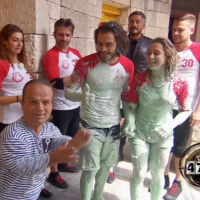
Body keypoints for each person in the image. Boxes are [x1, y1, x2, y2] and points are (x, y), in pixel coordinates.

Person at [65, 21, 134, 200]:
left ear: (119, 43)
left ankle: (98, 196)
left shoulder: (127, 66)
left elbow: (126, 97)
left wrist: (129, 120)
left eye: (108, 44)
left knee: (105, 167)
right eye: (99, 43)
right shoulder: (85, 63)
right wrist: (82, 97)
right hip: (90, 125)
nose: (102, 48)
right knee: (90, 170)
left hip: (113, 125)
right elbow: (69, 91)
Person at [122, 37, 190, 200]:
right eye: (148, 53)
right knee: (138, 172)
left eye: (156, 53)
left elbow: (186, 110)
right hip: (140, 131)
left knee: (158, 175)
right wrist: (130, 120)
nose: (150, 57)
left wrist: (171, 125)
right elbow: (130, 104)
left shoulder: (179, 82)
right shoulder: (139, 79)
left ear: (167, 56)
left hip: (163, 134)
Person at [0, 79, 90, 200]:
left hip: (33, 192)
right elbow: (22, 167)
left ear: (52, 106)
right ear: (22, 104)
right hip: (10, 196)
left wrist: (72, 143)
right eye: (33, 102)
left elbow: (58, 140)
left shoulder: (49, 128)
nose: (40, 108)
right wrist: (53, 158)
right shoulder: (13, 134)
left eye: (46, 102)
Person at [106, 11, 153, 185]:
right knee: (115, 127)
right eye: (131, 21)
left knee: (139, 129)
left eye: (138, 22)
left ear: (143, 24)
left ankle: (141, 167)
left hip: (141, 94)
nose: (134, 24)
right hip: (118, 91)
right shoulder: (120, 42)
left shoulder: (149, 44)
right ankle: (112, 161)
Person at [163, 14, 200, 200]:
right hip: (165, 106)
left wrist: (198, 111)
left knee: (179, 148)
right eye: (174, 29)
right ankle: (164, 175)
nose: (175, 33)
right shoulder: (169, 51)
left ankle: (177, 182)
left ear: (191, 30)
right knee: (164, 143)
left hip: (186, 109)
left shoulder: (198, 51)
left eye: (180, 30)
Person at [43, 18, 82, 189]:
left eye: (67, 35)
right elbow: (57, 83)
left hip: (75, 105)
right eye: (61, 34)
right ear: (54, 34)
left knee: (69, 139)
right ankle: (53, 173)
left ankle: (64, 164)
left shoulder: (75, 53)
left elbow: (83, 72)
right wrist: (79, 76)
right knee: (57, 142)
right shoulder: (51, 55)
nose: (64, 38)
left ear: (71, 36)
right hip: (60, 107)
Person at [0, 24, 32, 132]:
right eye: (15, 40)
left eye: (22, 40)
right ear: (4, 41)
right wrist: (21, 98)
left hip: (26, 119)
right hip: (10, 122)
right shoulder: (1, 65)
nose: (20, 44)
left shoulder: (22, 64)